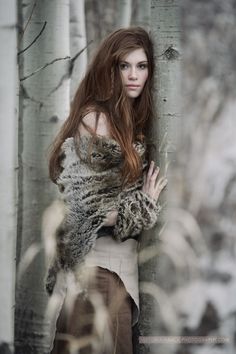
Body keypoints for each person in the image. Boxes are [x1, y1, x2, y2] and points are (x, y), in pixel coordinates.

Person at [45, 27, 167, 354]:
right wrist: (143, 206)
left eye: (142, 66)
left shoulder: (126, 122)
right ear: (108, 68)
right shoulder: (96, 120)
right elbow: (83, 210)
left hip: (113, 278)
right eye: (123, 66)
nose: (133, 75)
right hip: (100, 277)